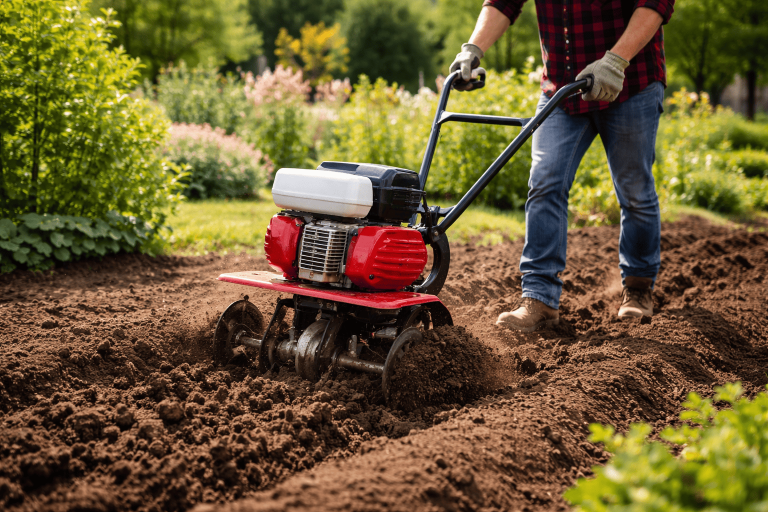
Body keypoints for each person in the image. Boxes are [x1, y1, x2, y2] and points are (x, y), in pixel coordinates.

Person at [450, 0, 675, 332]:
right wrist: (473, 48)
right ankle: (539, 299)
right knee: (545, 183)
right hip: (563, 89)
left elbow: (655, 3)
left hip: (629, 82)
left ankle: (639, 289)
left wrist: (615, 59)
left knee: (634, 190)